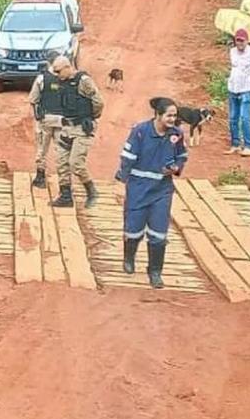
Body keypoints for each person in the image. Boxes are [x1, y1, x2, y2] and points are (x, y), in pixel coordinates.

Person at [116, 97, 188, 289]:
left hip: (162, 190)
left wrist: (175, 168)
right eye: (169, 115)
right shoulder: (140, 131)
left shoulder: (177, 134)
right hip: (138, 188)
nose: (173, 119)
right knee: (133, 229)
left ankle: (155, 271)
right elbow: (128, 157)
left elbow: (182, 156)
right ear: (157, 115)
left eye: (175, 115)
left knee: (159, 232)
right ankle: (129, 257)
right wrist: (121, 182)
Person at [48, 56, 103, 210]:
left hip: (82, 128)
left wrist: (91, 117)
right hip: (67, 126)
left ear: (67, 67)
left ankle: (92, 192)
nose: (57, 74)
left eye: (58, 71)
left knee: (76, 163)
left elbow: (98, 102)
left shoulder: (83, 81)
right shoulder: (61, 83)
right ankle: (65, 196)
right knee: (61, 162)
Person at [226, 28, 250, 157]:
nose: (240, 43)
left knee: (245, 117)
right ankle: (235, 144)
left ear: (247, 41)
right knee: (233, 118)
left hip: (247, 88)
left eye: (242, 41)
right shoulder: (232, 52)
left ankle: (248, 146)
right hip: (233, 88)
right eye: (238, 40)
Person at [27, 49, 62, 189]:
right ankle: (64, 183)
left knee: (42, 149)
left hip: (45, 119)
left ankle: (40, 177)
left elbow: (33, 99)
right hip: (63, 121)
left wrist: (37, 115)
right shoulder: (68, 79)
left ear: (48, 62)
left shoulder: (42, 78)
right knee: (63, 151)